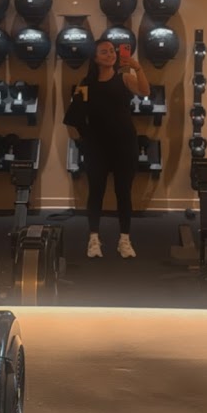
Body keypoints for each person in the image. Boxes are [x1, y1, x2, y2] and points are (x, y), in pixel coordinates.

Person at [64, 39, 151, 259]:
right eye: (104, 52)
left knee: (124, 192)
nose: (110, 54)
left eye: (112, 51)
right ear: (95, 58)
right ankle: (94, 239)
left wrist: (137, 67)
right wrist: (86, 137)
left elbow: (145, 91)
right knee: (96, 192)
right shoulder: (86, 84)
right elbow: (74, 115)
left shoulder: (125, 78)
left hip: (124, 144)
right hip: (97, 147)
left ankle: (124, 240)